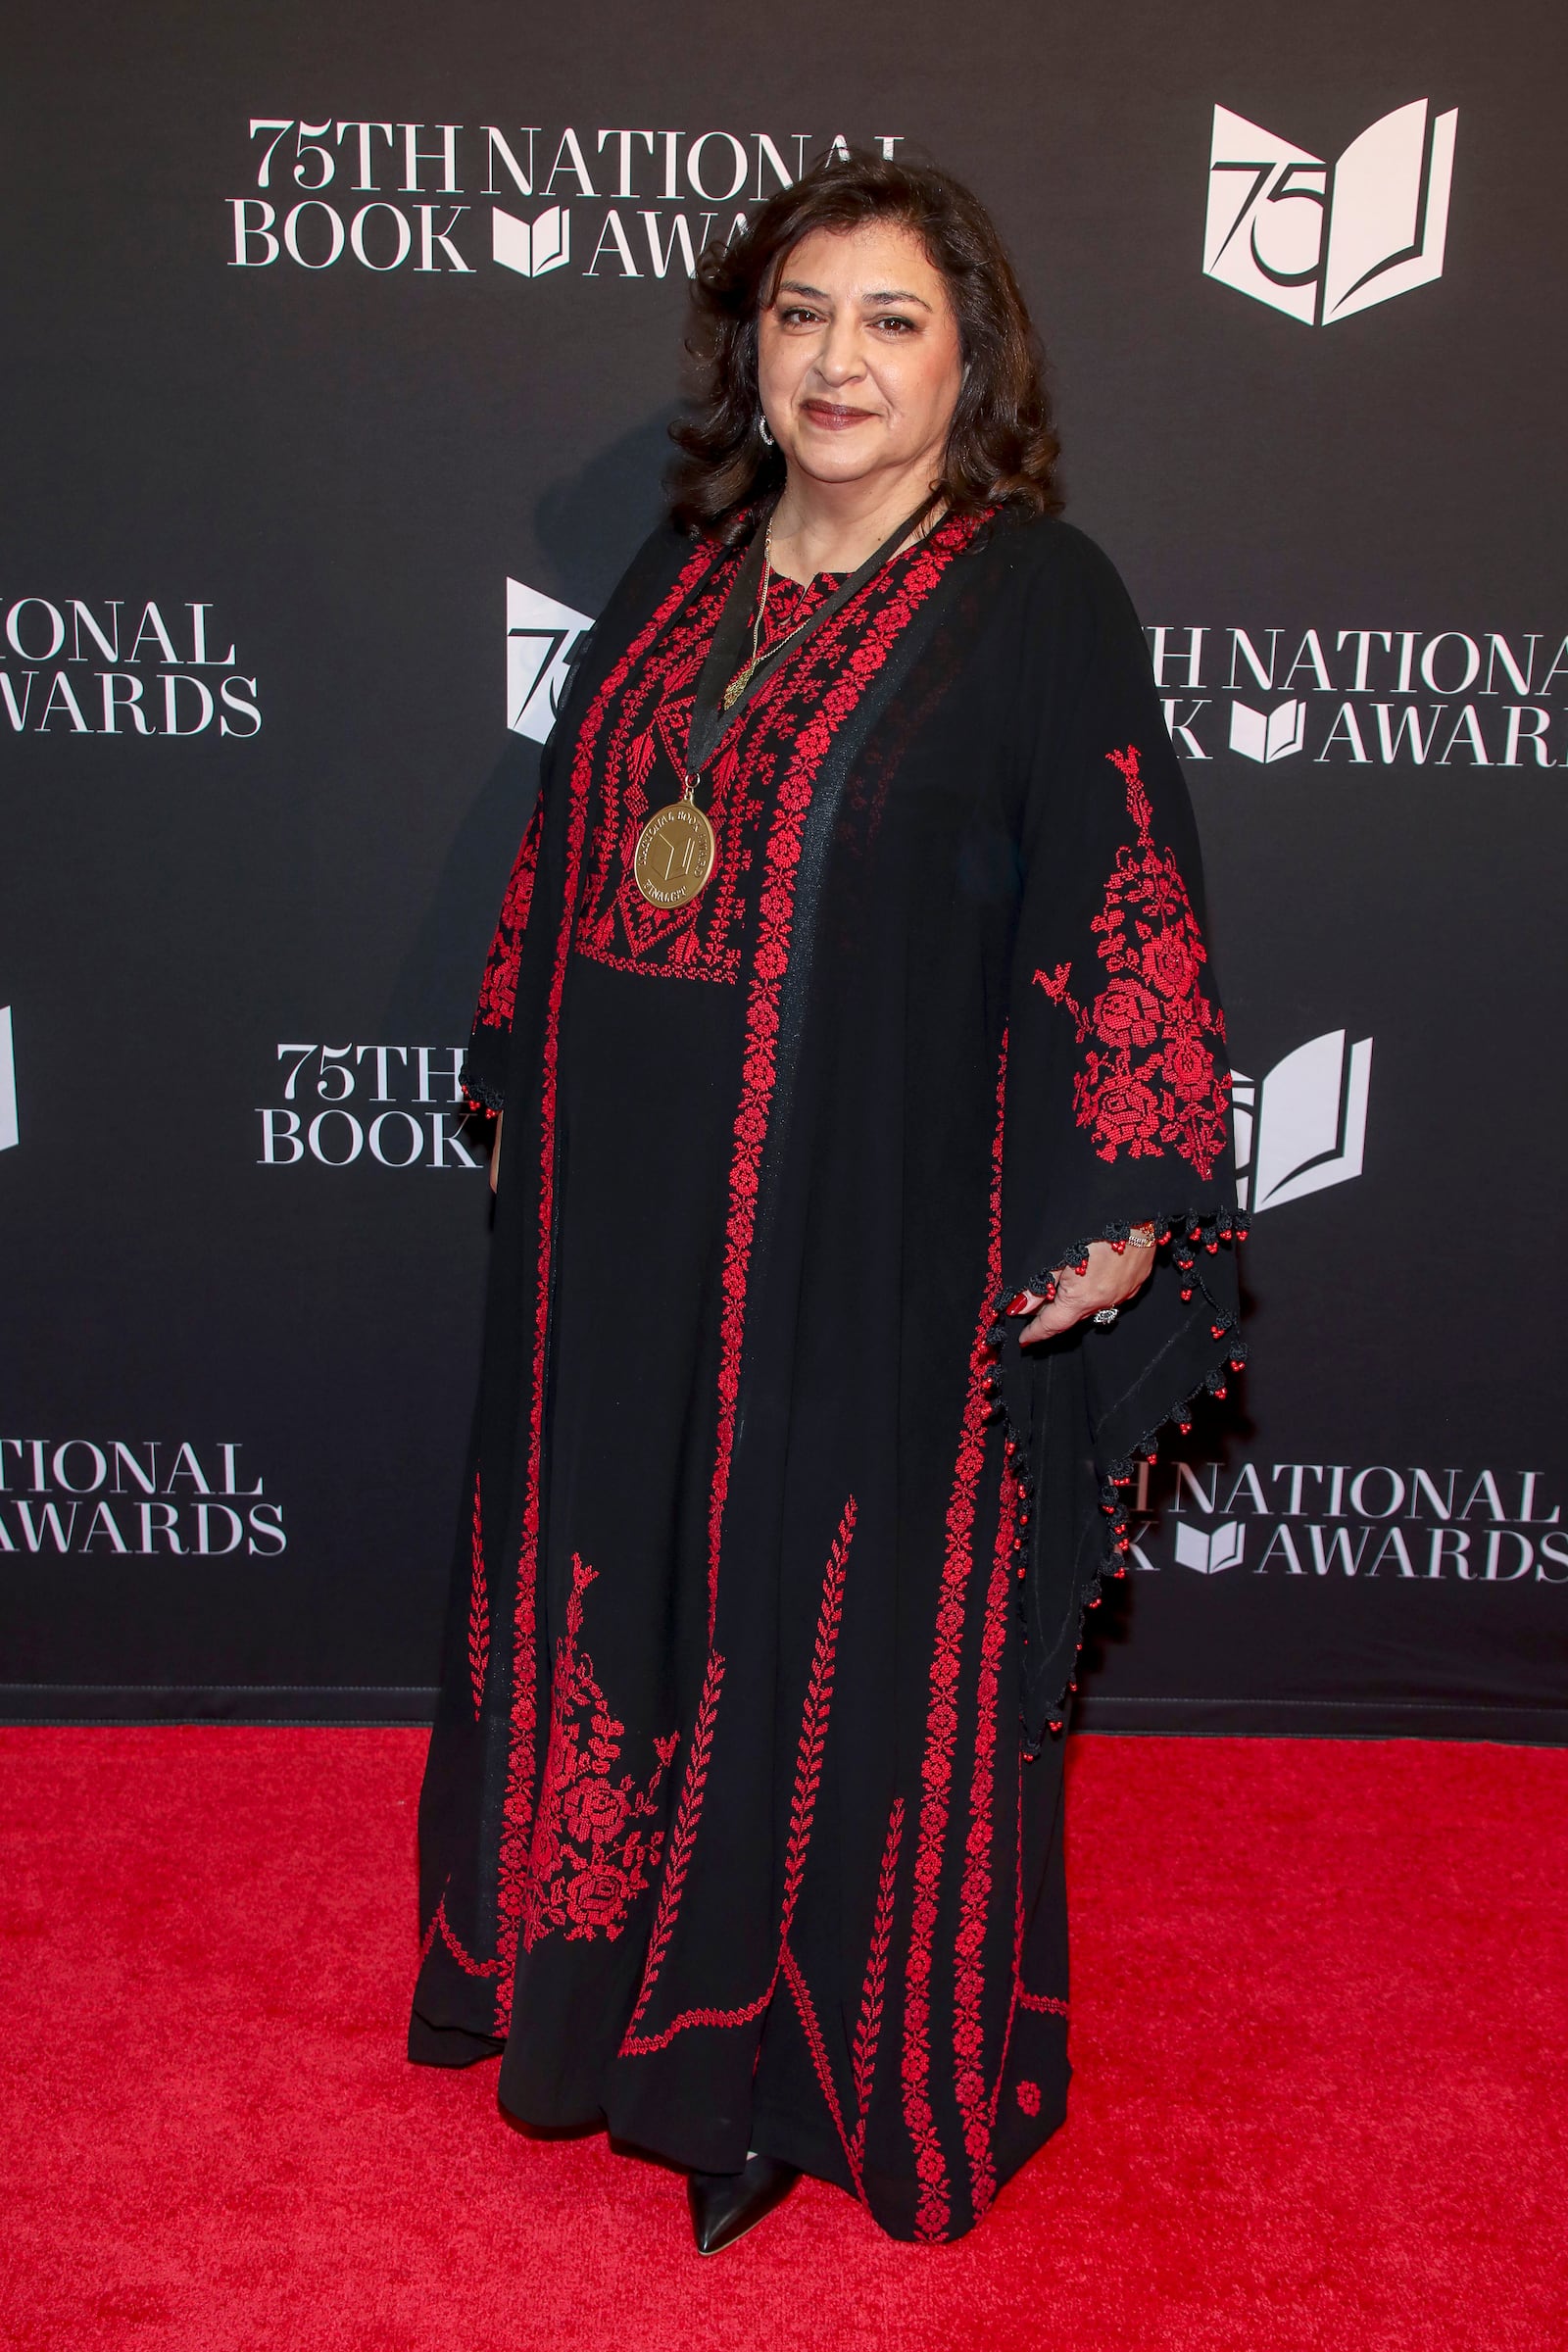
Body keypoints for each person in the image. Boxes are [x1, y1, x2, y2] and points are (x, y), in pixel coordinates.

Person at [409, 149, 1243, 2252]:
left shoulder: (1032, 597)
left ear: (972, 363)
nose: (836, 358)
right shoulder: (679, 570)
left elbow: (1114, 892)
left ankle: (774, 2060)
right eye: (800, 314)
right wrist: (522, 1066)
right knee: (617, 1596)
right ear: (747, 347)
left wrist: (1120, 1188)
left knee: (830, 1627)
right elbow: (572, 835)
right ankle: (584, 2003)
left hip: (869, 1232)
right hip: (620, 1234)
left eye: (889, 319)